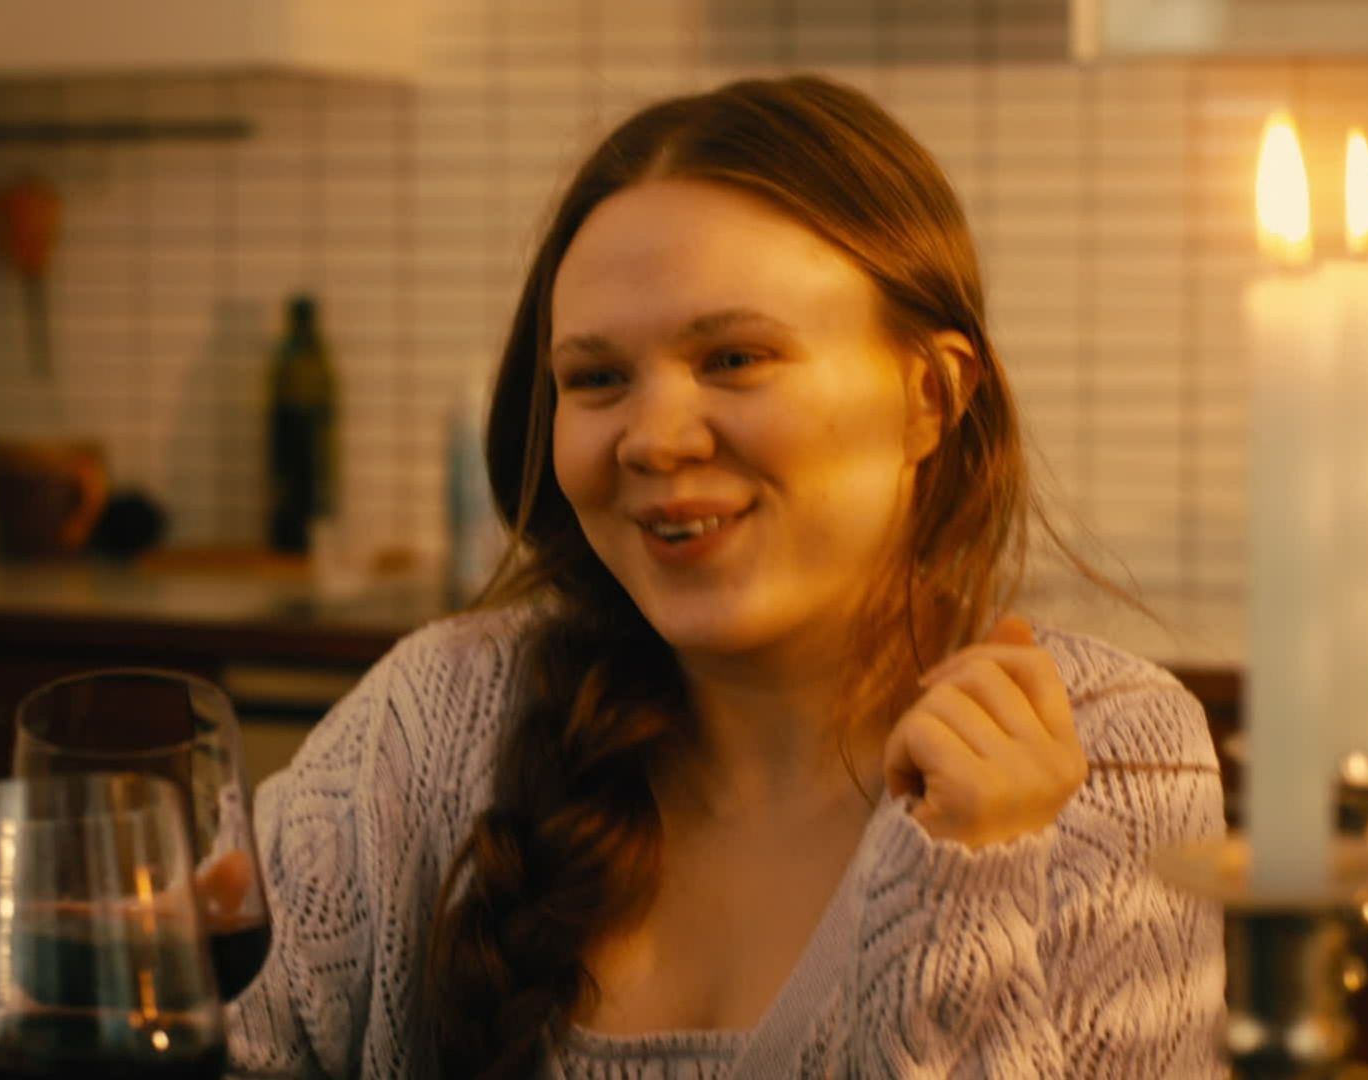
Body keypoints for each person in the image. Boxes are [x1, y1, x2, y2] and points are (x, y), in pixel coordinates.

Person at [226, 74, 1225, 1079]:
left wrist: (968, 893)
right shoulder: (429, 725)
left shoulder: (1114, 767)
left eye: (736, 358)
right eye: (597, 378)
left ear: (929, 395)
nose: (655, 440)